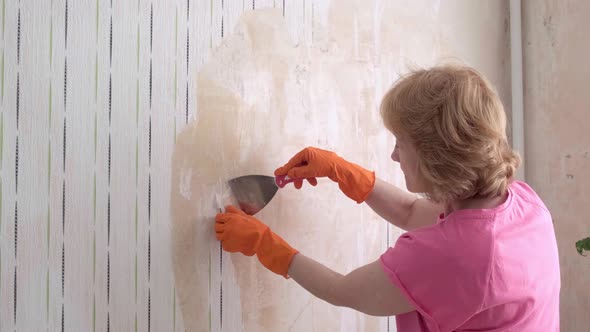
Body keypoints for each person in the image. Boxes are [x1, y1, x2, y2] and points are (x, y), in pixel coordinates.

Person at [215, 65, 561, 331]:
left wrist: (264, 244)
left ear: (435, 159)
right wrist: (343, 172)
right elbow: (413, 212)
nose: (394, 156)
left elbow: (343, 290)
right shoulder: (522, 203)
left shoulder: (458, 256)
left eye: (401, 144)